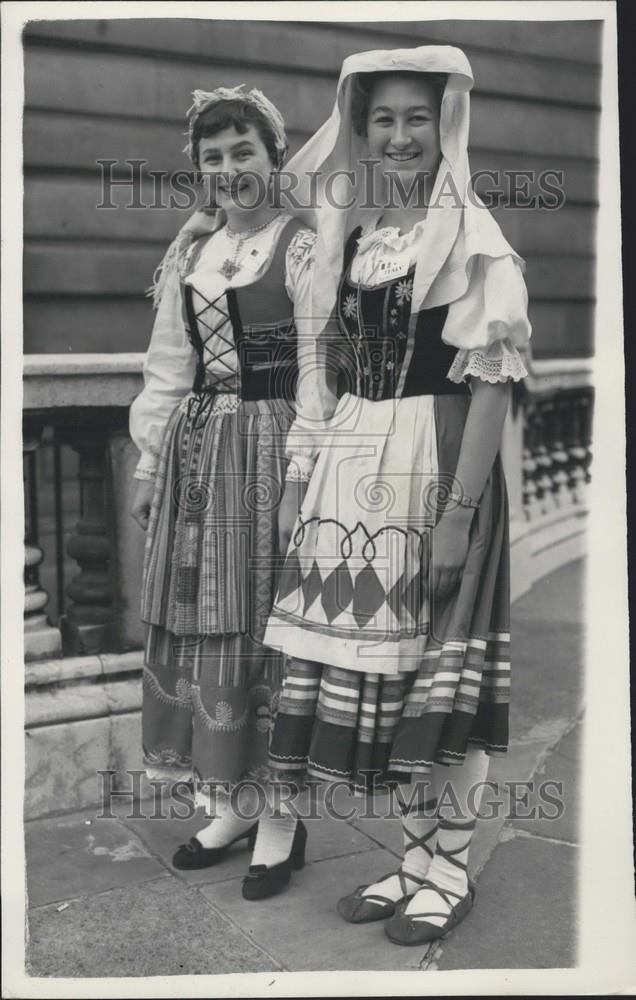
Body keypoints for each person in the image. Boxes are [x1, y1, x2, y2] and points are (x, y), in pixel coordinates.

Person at [262, 46, 531, 943]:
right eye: (384, 119)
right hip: (354, 472)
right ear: (362, 130)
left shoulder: (471, 235)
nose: (401, 134)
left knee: (439, 669)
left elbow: (491, 380)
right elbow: (327, 376)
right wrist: (301, 481)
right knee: (388, 672)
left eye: (418, 116)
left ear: (444, 120)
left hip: (436, 469)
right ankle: (414, 854)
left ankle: (450, 862)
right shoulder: (362, 240)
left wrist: (459, 514)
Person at [129, 85, 331, 896]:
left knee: (264, 626)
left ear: (274, 157)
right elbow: (169, 364)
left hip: (269, 447)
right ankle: (233, 803)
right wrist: (149, 466)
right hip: (198, 454)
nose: (229, 168)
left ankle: (281, 818)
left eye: (243, 150)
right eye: (213, 157)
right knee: (203, 622)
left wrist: (301, 476)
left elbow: (321, 367)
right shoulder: (192, 254)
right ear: (200, 170)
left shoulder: (305, 247)